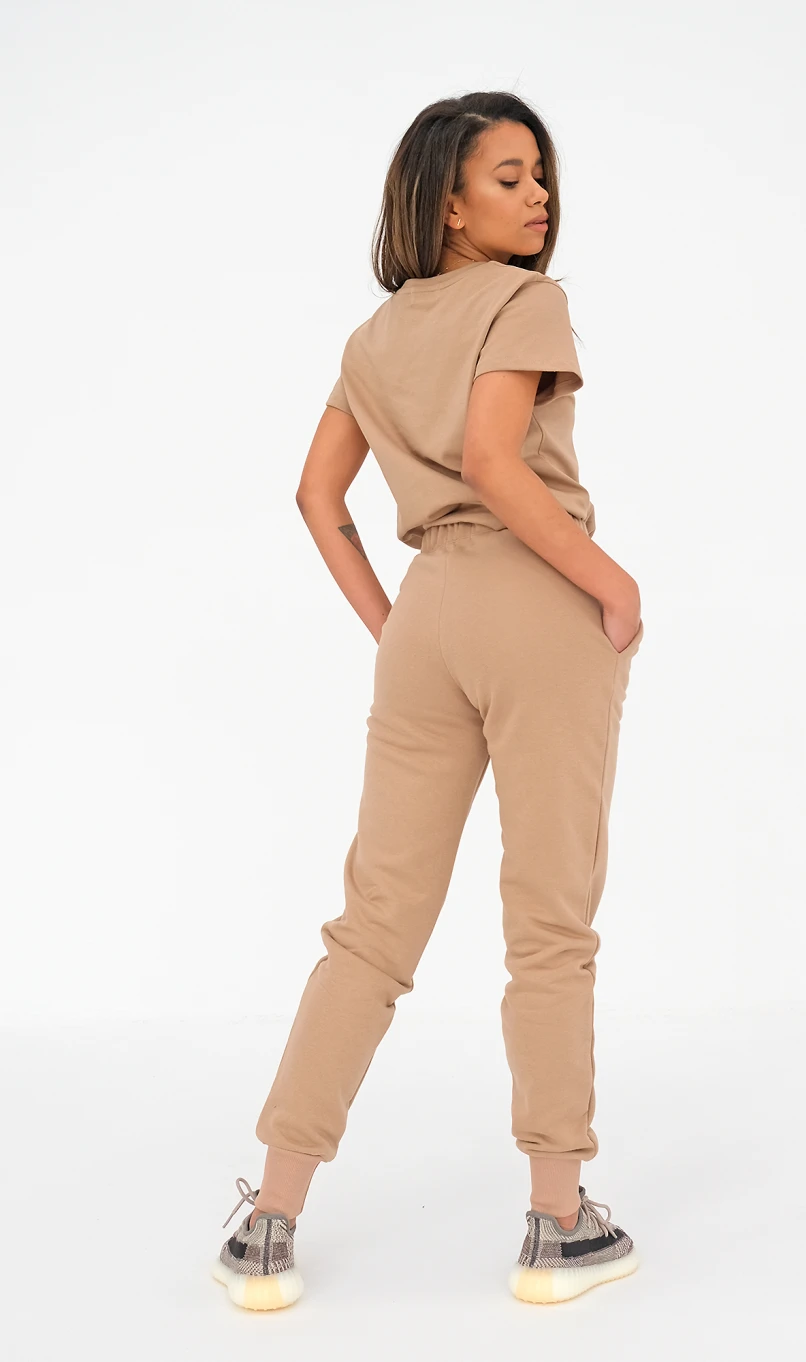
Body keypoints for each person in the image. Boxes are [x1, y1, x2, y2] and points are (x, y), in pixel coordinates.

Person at [212, 90, 644, 1311]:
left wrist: (395, 625)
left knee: (372, 925)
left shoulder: (374, 338)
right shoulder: (524, 301)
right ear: (447, 204)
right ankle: (558, 1224)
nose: (538, 196)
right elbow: (498, 464)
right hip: (535, 599)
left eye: (540, 175)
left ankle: (269, 1222)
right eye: (509, 178)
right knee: (549, 921)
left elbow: (318, 497)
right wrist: (614, 584)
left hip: (427, 619)